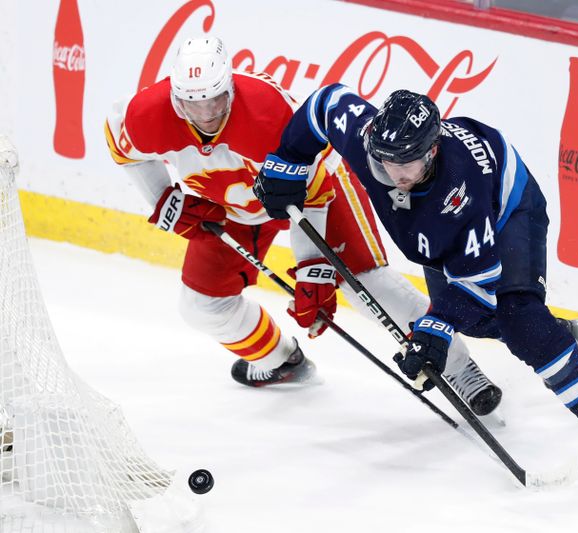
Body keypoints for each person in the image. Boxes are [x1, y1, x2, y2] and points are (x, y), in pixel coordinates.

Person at [253, 84, 578, 482]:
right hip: (445, 234)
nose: (395, 175)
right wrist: (289, 161)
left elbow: (479, 285)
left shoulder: (459, 192)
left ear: (432, 152)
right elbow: (325, 104)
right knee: (475, 322)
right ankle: (562, 336)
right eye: (386, 162)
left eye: (406, 164)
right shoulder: (368, 138)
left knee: (520, 319)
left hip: (508, 209)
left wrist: (435, 331)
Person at [103, 37, 511, 416]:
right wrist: (162, 196)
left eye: (217, 99)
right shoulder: (145, 114)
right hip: (228, 206)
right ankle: (280, 361)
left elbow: (310, 194)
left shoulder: (267, 112)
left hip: (317, 191)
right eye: (196, 104)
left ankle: (461, 369)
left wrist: (313, 268)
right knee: (202, 307)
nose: (208, 114)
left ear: (230, 86)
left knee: (370, 288)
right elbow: (121, 147)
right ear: (177, 98)